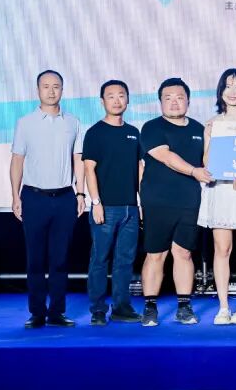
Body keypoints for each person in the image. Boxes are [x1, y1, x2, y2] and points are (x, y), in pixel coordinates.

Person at [10, 70, 85, 329]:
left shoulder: (73, 122)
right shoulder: (25, 123)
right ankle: (37, 313)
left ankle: (57, 312)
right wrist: (15, 196)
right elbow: (17, 160)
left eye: (56, 86)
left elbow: (78, 159)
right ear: (38, 90)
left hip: (64, 198)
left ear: (62, 90)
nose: (51, 91)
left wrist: (81, 192)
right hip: (34, 197)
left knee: (60, 259)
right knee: (35, 260)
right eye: (46, 86)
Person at [139, 78, 211, 327]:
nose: (174, 102)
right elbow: (166, 156)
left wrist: (215, 137)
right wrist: (193, 171)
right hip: (157, 201)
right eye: (168, 98)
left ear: (188, 101)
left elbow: (208, 161)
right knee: (156, 254)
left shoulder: (199, 128)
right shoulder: (151, 127)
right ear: (160, 102)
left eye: (179, 97)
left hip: (189, 201)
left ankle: (184, 306)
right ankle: (150, 307)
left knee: (183, 253)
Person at [199, 69, 236, 325]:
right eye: (227, 86)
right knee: (222, 249)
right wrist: (214, 135)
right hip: (222, 190)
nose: (232, 92)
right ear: (220, 91)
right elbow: (206, 161)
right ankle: (223, 306)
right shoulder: (213, 122)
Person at [83, 80, 142, 325]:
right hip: (105, 208)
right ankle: (98, 310)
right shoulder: (95, 132)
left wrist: (140, 203)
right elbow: (89, 169)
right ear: (102, 101)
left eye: (121, 95)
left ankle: (121, 307)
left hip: (131, 208)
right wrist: (96, 202)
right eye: (111, 96)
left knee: (125, 261)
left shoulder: (134, 132)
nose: (117, 100)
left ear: (127, 99)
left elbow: (139, 168)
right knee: (99, 260)